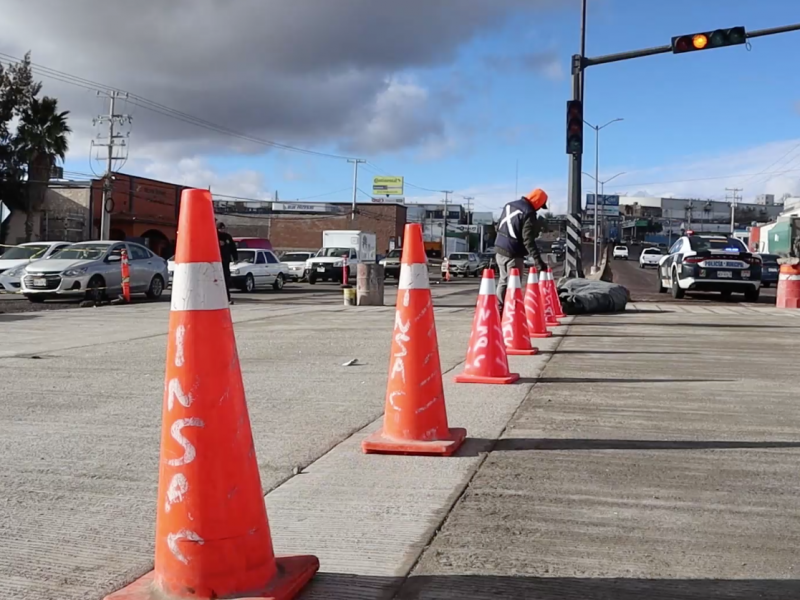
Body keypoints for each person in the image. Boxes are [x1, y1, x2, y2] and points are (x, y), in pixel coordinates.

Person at [494, 188, 549, 313]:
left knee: (503, 281)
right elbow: (528, 240)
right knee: (514, 283)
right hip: (513, 253)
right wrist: (538, 261)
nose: (539, 209)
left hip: (499, 249)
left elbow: (498, 227)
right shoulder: (529, 212)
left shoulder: (509, 205)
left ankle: (499, 311)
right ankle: (511, 314)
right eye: (540, 206)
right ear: (538, 202)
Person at [216, 221, 238, 304]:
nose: (222, 230)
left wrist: (235, 258)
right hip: (216, 262)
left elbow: (233, 248)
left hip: (226, 261)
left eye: (223, 228)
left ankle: (227, 298)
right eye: (220, 229)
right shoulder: (214, 236)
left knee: (226, 279)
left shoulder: (227, 237)